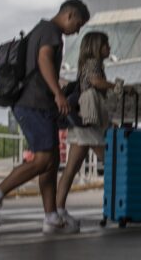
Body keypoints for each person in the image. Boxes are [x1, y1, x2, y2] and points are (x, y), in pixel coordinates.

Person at [0, 0, 89, 234]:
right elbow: (43, 60)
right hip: (33, 104)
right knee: (42, 159)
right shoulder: (51, 32)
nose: (77, 30)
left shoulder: (39, 30)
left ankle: (51, 216)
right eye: (78, 24)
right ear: (69, 15)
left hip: (38, 104)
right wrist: (59, 94)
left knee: (51, 162)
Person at [55, 32, 118, 231]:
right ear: (96, 46)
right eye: (106, 45)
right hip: (89, 124)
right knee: (111, 162)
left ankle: (56, 210)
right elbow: (96, 82)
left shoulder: (87, 63)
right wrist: (119, 87)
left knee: (71, 169)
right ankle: (120, 204)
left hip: (81, 122)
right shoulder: (93, 63)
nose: (109, 48)